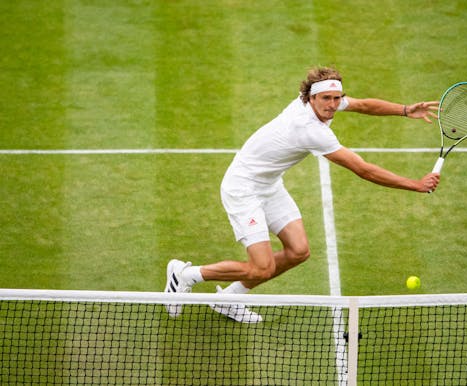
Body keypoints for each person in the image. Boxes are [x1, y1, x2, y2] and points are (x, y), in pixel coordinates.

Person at [164, 66, 440, 322]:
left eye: (337, 98)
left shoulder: (317, 99)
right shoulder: (309, 130)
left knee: (298, 251)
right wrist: (414, 184)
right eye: (327, 99)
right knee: (262, 268)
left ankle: (230, 299)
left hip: (269, 185)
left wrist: (405, 110)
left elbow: (363, 104)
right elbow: (363, 169)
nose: (333, 105)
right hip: (243, 189)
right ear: (310, 98)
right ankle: (186, 274)